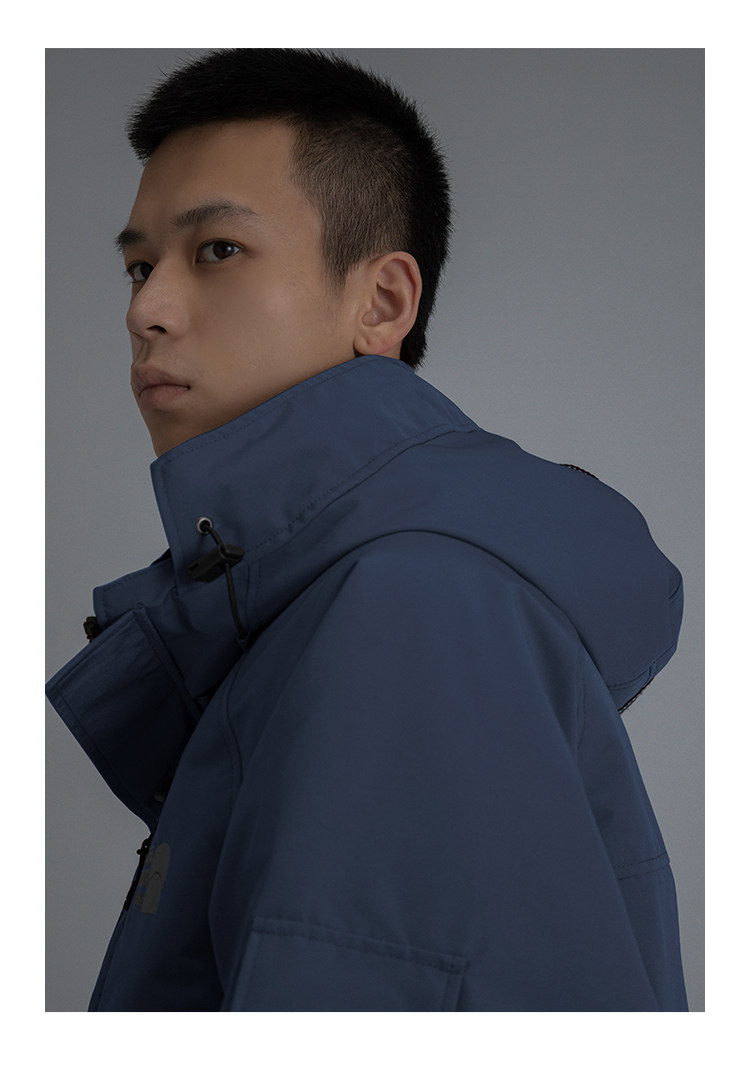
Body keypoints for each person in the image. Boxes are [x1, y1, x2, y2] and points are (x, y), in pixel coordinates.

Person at [45, 48, 688, 1011]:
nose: (146, 310)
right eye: (140, 266)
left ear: (382, 302)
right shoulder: (330, 603)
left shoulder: (414, 613)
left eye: (217, 250)